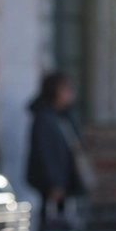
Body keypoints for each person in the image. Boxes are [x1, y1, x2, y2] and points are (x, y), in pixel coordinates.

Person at [26, 72, 91, 222]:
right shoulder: (45, 118)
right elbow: (45, 152)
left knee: (63, 218)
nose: (69, 94)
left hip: (64, 177)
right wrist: (54, 183)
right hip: (52, 181)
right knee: (51, 219)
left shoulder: (64, 115)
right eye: (65, 90)